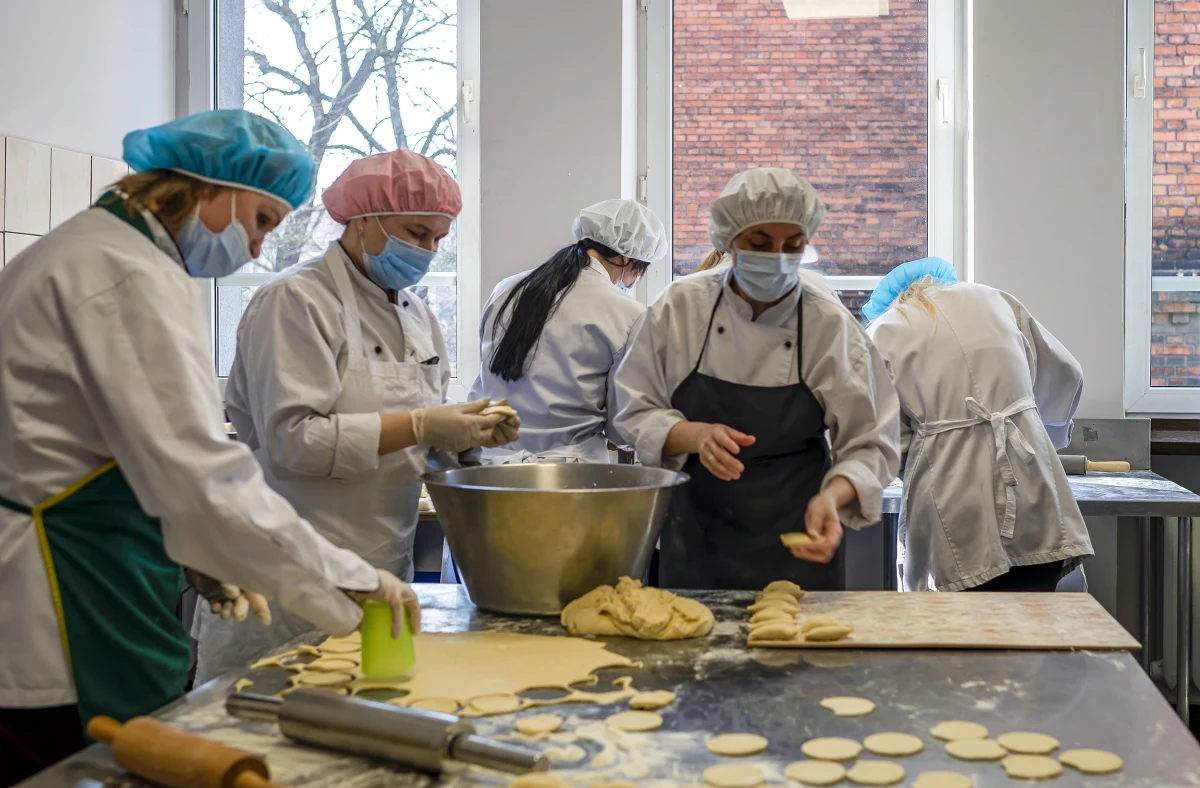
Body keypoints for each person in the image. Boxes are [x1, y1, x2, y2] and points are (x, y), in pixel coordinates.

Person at [0, 110, 418, 787]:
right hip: (62, 593)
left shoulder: (95, 250)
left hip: (96, 557)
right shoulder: (125, 274)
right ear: (214, 188)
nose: (257, 248)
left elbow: (107, 450)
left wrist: (193, 549)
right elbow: (202, 474)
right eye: (262, 220)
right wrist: (352, 578)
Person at [193, 149, 514, 683]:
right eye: (416, 233)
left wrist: (465, 438)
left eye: (438, 239)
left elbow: (418, 445)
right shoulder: (296, 301)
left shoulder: (417, 316)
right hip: (286, 574)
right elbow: (293, 441)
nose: (427, 251)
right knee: (266, 711)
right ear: (363, 221)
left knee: (362, 710)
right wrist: (422, 424)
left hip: (380, 568)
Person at [614, 168, 901, 590]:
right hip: (697, 537)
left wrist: (833, 496)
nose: (778, 258)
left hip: (800, 538)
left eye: (793, 245)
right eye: (760, 244)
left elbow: (872, 443)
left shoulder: (828, 324)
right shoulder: (682, 307)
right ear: (729, 240)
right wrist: (695, 436)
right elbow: (634, 408)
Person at [863, 259, 1094, 592]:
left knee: (966, 619)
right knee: (1034, 612)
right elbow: (1067, 375)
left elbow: (887, 442)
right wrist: (1038, 429)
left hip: (954, 507)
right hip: (1034, 493)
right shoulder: (994, 299)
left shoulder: (884, 330)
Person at [468, 200, 667, 463]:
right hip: (570, 473)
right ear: (626, 258)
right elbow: (621, 428)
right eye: (640, 271)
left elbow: (486, 377)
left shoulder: (507, 288)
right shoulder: (627, 313)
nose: (633, 282)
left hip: (492, 464)